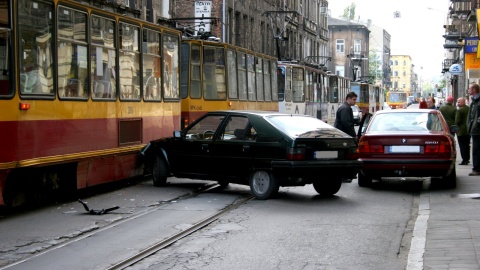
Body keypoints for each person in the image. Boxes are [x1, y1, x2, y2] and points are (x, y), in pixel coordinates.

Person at [334, 91, 357, 183]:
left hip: (341, 135)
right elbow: (347, 123)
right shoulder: (346, 108)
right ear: (348, 99)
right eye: (354, 99)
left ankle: (344, 175)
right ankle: (344, 176)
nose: (355, 102)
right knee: (344, 156)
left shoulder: (345, 107)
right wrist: (353, 136)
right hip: (343, 136)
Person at [467, 83, 480, 176]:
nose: (468, 90)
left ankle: (477, 169)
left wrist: (476, 124)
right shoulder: (474, 101)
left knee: (476, 150)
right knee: (476, 150)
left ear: (474, 90)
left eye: (469, 89)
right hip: (474, 129)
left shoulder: (477, 101)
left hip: (477, 130)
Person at [456, 97, 470, 165]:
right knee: (467, 145)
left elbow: (457, 121)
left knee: (462, 146)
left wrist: (456, 127)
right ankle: (467, 158)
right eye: (457, 102)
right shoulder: (468, 108)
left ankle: (464, 160)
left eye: (459, 102)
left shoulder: (460, 110)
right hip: (468, 130)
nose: (458, 103)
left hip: (461, 130)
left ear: (463, 102)